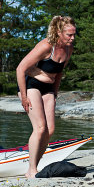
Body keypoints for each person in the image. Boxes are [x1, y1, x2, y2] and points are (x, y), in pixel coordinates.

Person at [16, 16, 76, 178]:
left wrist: (55, 94)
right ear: (58, 32)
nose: (72, 38)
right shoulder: (46, 46)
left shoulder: (68, 49)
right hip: (31, 86)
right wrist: (23, 96)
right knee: (40, 127)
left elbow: (59, 72)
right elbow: (20, 69)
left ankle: (34, 161)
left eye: (74, 34)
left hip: (48, 88)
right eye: (69, 35)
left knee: (50, 129)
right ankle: (32, 170)